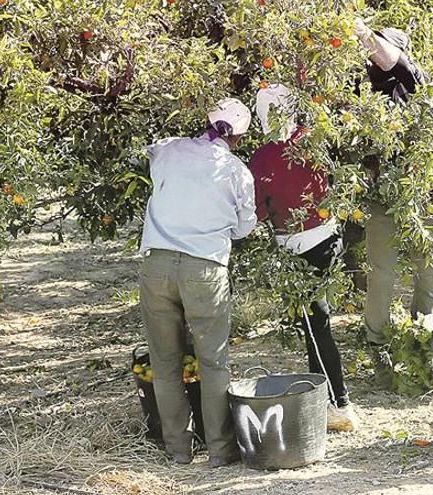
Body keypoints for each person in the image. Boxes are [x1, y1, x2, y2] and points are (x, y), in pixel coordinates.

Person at [138, 97, 257, 467]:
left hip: (156, 266)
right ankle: (221, 451)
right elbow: (244, 228)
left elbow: (148, 155)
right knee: (213, 362)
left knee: (165, 361)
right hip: (205, 269)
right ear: (239, 136)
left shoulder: (168, 149)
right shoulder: (237, 172)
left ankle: (178, 450)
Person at [248, 84, 360, 432]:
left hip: (300, 246)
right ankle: (329, 400)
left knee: (315, 327)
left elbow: (257, 209)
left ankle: (338, 404)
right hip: (328, 238)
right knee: (316, 322)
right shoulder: (313, 140)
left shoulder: (265, 156)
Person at [353, 18, 433, 386]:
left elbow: (392, 61)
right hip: (379, 198)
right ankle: (380, 350)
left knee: (428, 271)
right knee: (382, 275)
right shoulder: (362, 90)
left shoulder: (413, 81)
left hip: (421, 194)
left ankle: (423, 341)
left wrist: (359, 31)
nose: (374, 59)